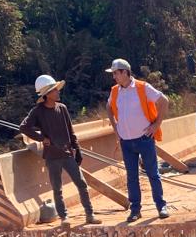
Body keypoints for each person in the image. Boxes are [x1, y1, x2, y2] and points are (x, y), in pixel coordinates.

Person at [19, 74, 101, 226]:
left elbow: (71, 131)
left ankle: (90, 214)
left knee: (81, 184)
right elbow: (24, 127)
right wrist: (41, 139)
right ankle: (64, 218)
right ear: (47, 94)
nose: (58, 92)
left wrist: (77, 149)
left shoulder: (62, 108)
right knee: (57, 188)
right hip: (52, 156)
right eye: (55, 90)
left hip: (67, 154)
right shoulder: (38, 111)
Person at [105, 58, 170, 222]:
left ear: (125, 72)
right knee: (131, 177)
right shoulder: (115, 91)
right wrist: (116, 128)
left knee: (152, 174)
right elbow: (108, 107)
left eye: (115, 73)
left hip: (144, 139)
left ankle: (161, 205)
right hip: (126, 142)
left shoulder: (142, 87)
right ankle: (135, 209)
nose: (114, 77)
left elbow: (164, 101)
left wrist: (156, 125)